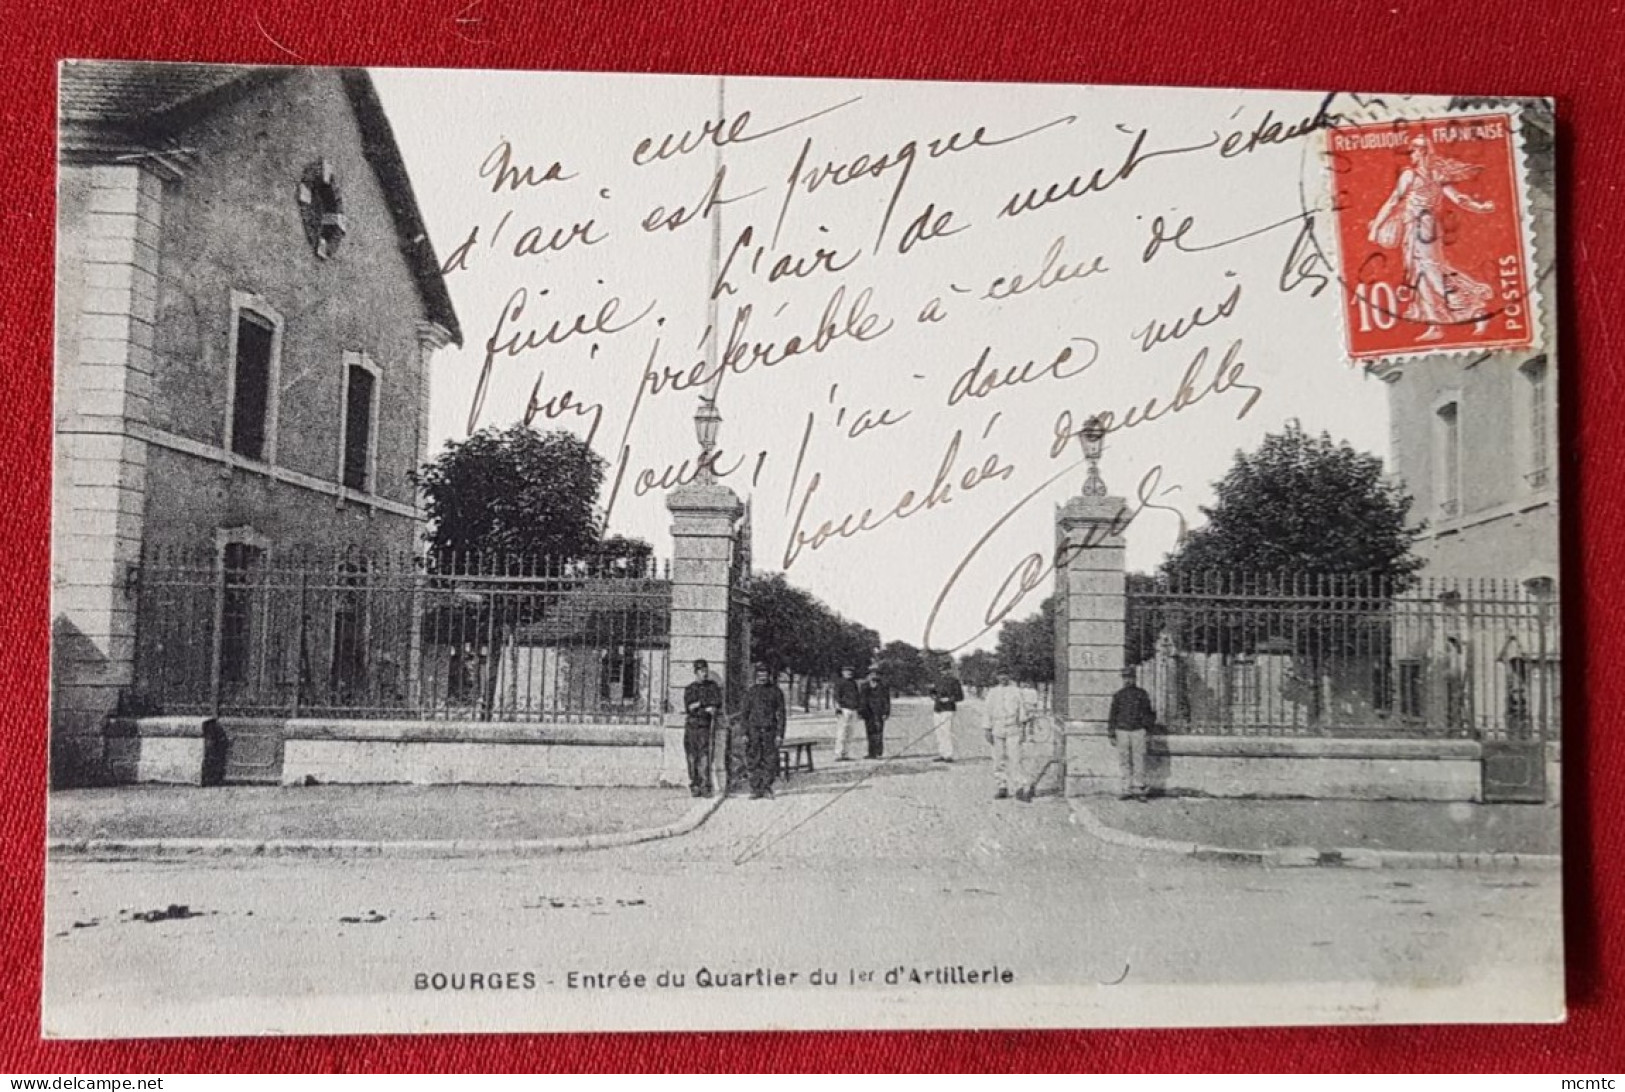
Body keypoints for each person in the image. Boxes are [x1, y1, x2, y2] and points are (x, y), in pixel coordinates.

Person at [1367, 134, 1496, 343]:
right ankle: (1436, 324)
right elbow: (1459, 198)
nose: (1413, 155)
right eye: (1412, 151)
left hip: (1421, 228)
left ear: (1424, 152)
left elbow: (1392, 202)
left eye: (1416, 151)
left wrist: (1377, 227)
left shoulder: (1410, 175)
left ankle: (1475, 309)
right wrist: (1479, 207)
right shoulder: (1435, 174)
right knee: (1421, 274)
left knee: (1433, 273)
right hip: (1423, 228)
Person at [983, 671, 1037, 801]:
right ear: (996, 677)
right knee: (998, 759)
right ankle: (1002, 786)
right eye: (1000, 675)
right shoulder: (992, 693)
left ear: (1009, 676)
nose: (1003, 677)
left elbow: (1022, 710)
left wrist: (1023, 728)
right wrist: (987, 729)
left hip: (1013, 728)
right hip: (997, 728)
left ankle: (1020, 787)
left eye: (1005, 674)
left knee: (1015, 758)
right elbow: (987, 712)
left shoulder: (1016, 691)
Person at [1107, 666, 1157, 800]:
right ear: (1123, 679)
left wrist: (1148, 730)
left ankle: (1139, 788)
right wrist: (1111, 734)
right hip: (1122, 731)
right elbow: (1113, 715)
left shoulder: (1142, 694)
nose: (1128, 680)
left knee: (1139, 759)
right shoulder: (1118, 695)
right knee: (1124, 760)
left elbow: (1149, 713)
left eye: (1130, 677)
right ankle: (1126, 788)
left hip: (1138, 731)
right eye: (1125, 677)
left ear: (1135, 678)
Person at [740, 663, 787, 799]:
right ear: (756, 676)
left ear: (769, 676)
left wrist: (779, 734)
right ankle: (755, 789)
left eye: (765, 674)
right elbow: (744, 714)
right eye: (760, 675)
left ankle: (766, 787)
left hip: (769, 731)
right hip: (753, 731)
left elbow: (781, 715)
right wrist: (744, 733)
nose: (762, 677)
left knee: (769, 760)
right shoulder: (751, 692)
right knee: (753, 760)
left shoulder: (776, 692)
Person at [681, 658, 723, 798]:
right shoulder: (690, 689)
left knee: (705, 757)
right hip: (692, 726)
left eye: (705, 670)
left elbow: (717, 703)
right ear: (695, 672)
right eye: (701, 671)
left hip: (705, 726)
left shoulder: (713, 687)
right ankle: (695, 785)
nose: (704, 674)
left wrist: (702, 706)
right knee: (692, 757)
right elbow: (689, 707)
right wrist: (704, 704)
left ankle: (705, 786)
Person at [930, 667, 965, 762]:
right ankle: (942, 753)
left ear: (949, 670)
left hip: (948, 709)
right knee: (939, 732)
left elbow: (960, 696)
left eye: (945, 670)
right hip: (937, 708)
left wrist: (949, 699)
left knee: (947, 731)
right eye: (942, 670)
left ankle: (948, 755)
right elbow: (932, 692)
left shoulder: (954, 681)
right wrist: (934, 697)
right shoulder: (937, 680)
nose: (944, 672)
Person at [858, 669, 892, 759]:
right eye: (871, 674)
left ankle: (878, 752)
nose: (873, 676)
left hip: (879, 712)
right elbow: (861, 700)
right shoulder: (864, 686)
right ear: (868, 676)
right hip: (868, 713)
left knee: (878, 732)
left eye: (875, 674)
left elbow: (886, 700)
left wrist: (886, 712)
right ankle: (871, 752)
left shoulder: (883, 686)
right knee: (869, 732)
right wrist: (860, 712)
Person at [832, 665, 861, 762]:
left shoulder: (853, 683)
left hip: (853, 709)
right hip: (844, 709)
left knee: (850, 733)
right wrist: (838, 708)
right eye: (847, 671)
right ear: (843, 672)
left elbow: (857, 696)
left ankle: (846, 753)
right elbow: (836, 696)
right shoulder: (839, 683)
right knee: (842, 732)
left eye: (850, 671)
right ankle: (838, 753)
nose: (849, 673)